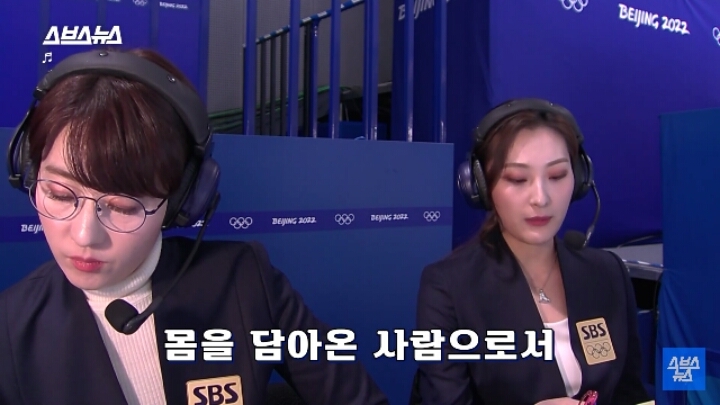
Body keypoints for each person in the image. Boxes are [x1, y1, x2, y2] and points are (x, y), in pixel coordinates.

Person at [0, 48, 389, 405]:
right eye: (59, 195)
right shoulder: (10, 328)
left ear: (182, 200)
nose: (84, 235)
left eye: (121, 206)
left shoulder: (246, 280)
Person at [410, 99, 651, 405]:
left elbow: (631, 394)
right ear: (481, 186)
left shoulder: (607, 273)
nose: (541, 198)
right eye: (517, 179)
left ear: (579, 180)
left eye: (557, 175)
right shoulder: (448, 287)